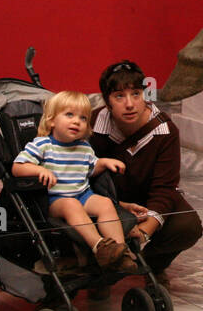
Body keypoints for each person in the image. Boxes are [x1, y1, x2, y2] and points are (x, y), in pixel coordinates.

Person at [87, 61, 202, 288]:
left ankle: (150, 265)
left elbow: (165, 188)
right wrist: (116, 204)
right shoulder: (93, 124)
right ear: (108, 102)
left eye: (136, 94)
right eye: (119, 96)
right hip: (107, 199)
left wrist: (144, 231)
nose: (129, 104)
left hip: (147, 196)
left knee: (187, 225)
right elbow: (81, 176)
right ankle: (97, 271)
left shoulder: (165, 131)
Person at [12, 91, 137, 272]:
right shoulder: (43, 145)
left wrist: (104, 162)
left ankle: (119, 250)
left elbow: (91, 169)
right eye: (69, 115)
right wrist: (39, 169)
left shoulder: (84, 147)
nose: (77, 121)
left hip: (83, 194)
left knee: (105, 203)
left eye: (83, 118)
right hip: (55, 200)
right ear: (52, 120)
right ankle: (100, 248)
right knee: (71, 205)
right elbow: (18, 167)